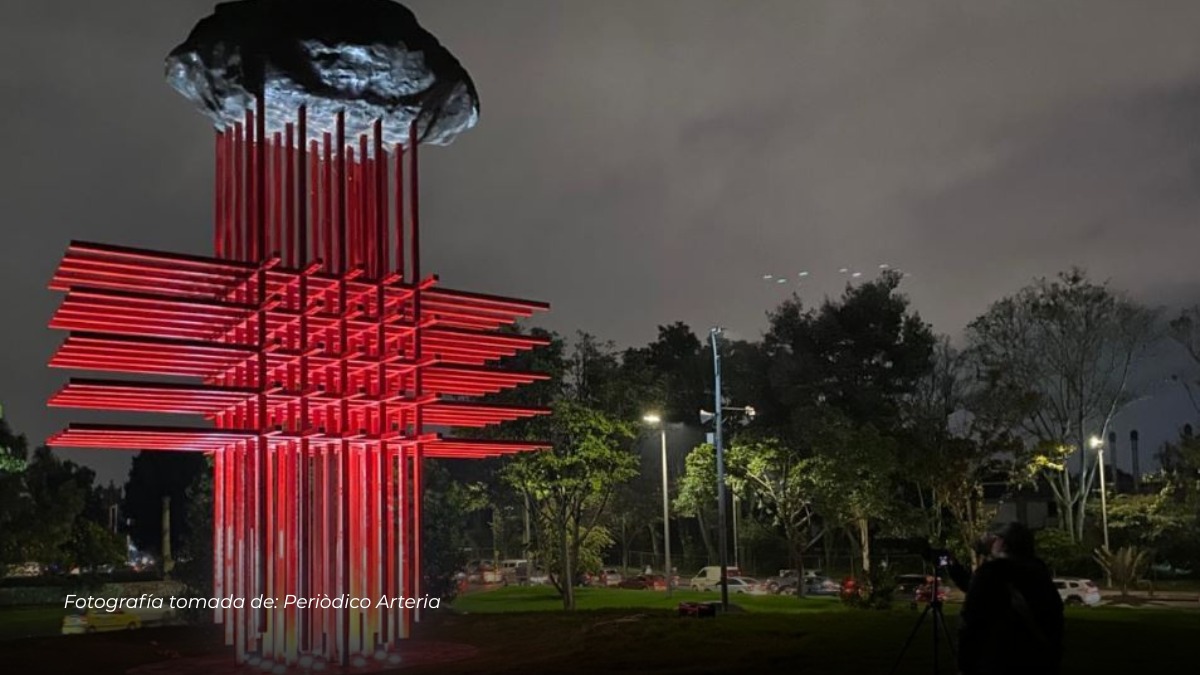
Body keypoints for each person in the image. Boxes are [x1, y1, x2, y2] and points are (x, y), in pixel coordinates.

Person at [948, 522, 1064, 675]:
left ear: (1002, 542)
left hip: (999, 659)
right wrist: (955, 569)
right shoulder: (1037, 570)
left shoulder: (992, 572)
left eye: (992, 537)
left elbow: (972, 619)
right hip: (1038, 659)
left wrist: (964, 664)